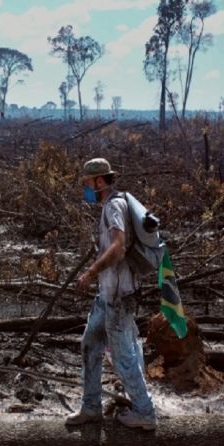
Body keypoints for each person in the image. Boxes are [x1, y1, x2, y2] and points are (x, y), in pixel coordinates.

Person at [66, 158, 157, 430]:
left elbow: (118, 247)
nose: (86, 188)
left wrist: (91, 272)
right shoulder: (110, 205)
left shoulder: (114, 206)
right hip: (107, 295)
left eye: (88, 182)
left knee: (122, 357)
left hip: (118, 295)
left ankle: (145, 413)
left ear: (99, 181)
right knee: (90, 344)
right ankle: (91, 407)